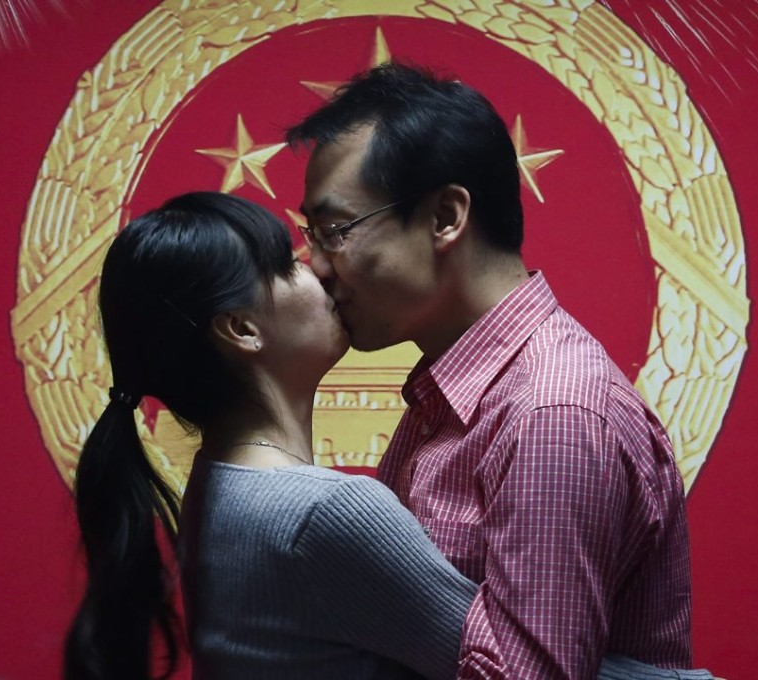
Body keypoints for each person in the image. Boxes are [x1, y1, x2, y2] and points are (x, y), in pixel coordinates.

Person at [287, 63, 696, 679]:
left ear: (446, 218)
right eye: (311, 233)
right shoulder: (449, 392)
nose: (315, 265)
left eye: (335, 230)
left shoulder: (551, 412)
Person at [62, 191, 479, 680]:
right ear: (242, 329)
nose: (321, 271)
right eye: (287, 264)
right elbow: (523, 666)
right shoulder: (327, 511)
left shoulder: (220, 481)